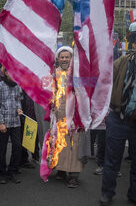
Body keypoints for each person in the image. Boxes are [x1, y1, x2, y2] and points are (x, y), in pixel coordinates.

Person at [100, 41, 136, 205]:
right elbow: (104, 79)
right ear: (134, 45)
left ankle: (133, 194)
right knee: (112, 160)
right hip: (117, 117)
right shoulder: (121, 62)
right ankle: (107, 193)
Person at [49, 46, 88, 188]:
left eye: (67, 57)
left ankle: (73, 176)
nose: (65, 59)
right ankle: (61, 170)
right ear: (58, 59)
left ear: (72, 59)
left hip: (75, 118)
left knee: (75, 146)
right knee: (60, 144)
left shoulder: (78, 74)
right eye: (62, 57)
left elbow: (85, 94)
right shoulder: (53, 74)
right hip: (59, 117)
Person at [0, 69, 22, 184]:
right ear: (5, 73)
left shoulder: (17, 85)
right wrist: (1, 123)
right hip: (3, 123)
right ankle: (2, 173)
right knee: (2, 149)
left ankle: (12, 171)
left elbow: (19, 100)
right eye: (11, 72)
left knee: (17, 147)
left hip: (15, 122)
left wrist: (19, 108)